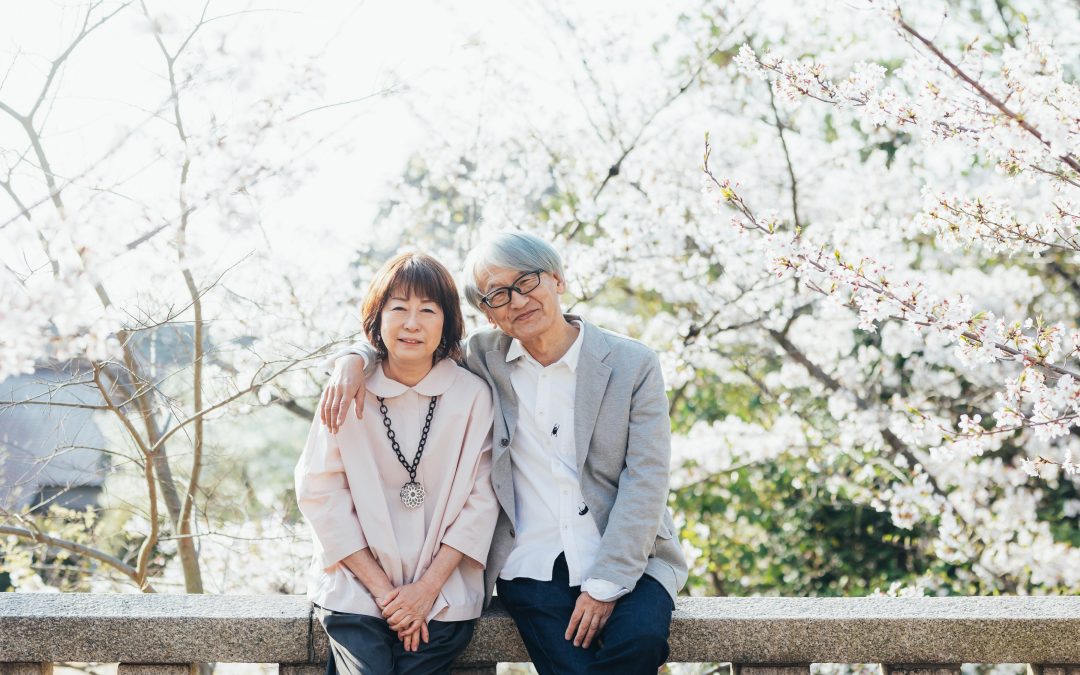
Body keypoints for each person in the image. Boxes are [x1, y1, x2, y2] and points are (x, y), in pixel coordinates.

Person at [320, 232, 688, 675]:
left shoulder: (632, 363)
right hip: (531, 563)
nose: (516, 301)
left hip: (630, 555)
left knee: (641, 642)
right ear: (488, 315)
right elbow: (408, 339)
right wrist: (351, 358)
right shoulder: (481, 358)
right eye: (497, 295)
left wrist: (605, 583)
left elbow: (646, 479)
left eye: (527, 282)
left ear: (557, 279)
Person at [295, 252, 499, 675]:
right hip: (355, 588)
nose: (412, 323)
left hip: (443, 593)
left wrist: (424, 591)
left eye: (428, 310)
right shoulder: (347, 390)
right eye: (399, 309)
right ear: (377, 318)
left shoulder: (474, 396)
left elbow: (483, 502)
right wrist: (387, 596)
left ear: (447, 322)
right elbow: (320, 494)